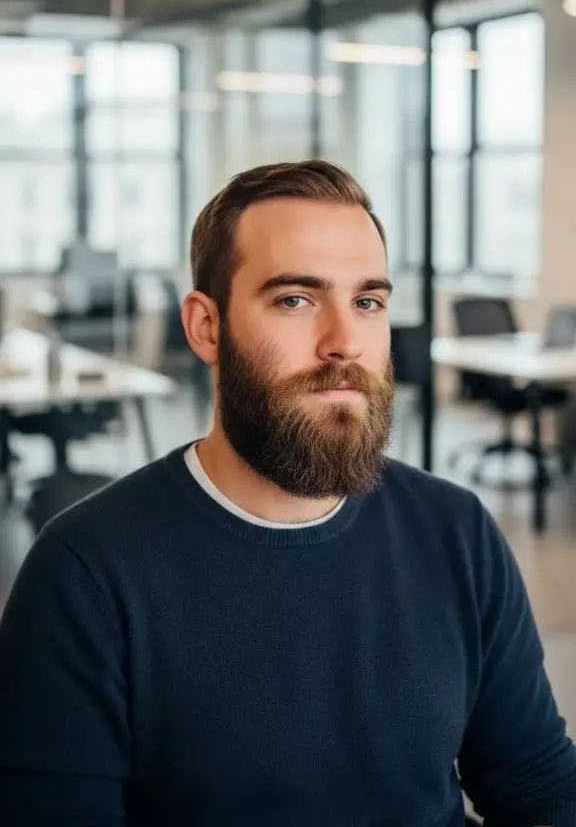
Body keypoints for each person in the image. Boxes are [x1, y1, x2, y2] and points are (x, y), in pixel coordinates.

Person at [0, 160, 575, 827]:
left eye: (367, 302)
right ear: (206, 327)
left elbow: (536, 779)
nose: (345, 343)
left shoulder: (456, 530)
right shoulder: (87, 574)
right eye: (295, 300)